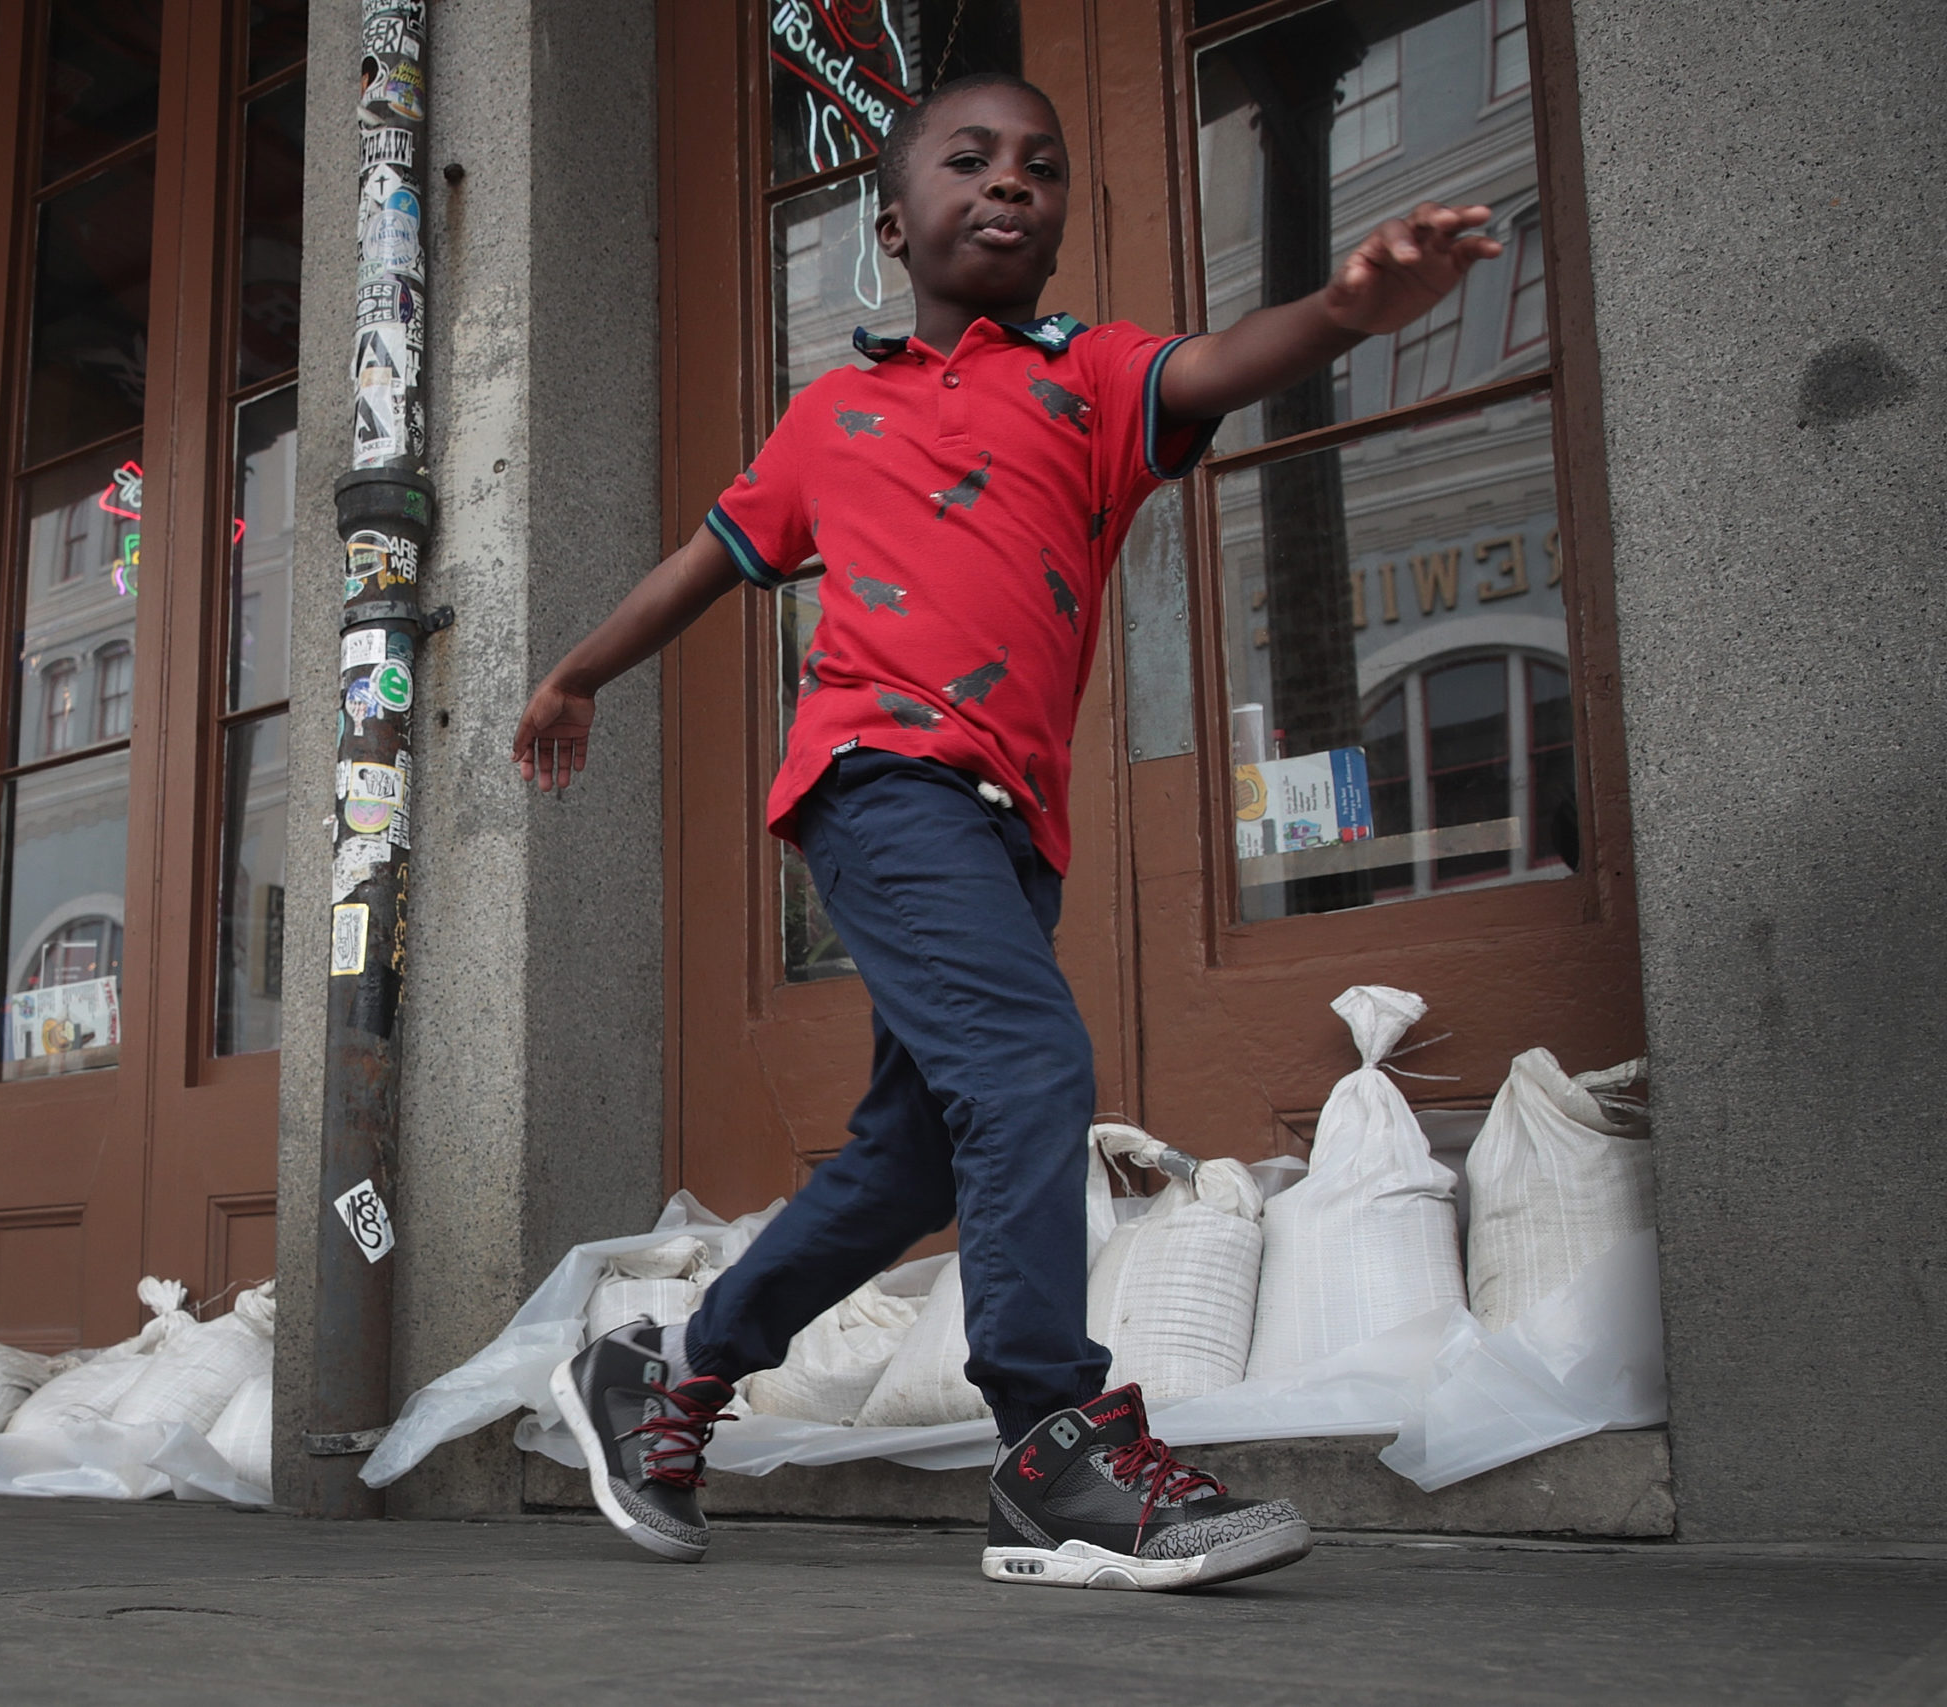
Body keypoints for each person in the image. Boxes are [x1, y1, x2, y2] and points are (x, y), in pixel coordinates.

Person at [511, 72, 1500, 1590]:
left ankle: (671, 1370)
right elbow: (705, 559)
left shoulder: (1092, 379)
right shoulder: (833, 416)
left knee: (916, 1160)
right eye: (967, 162)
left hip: (1007, 826)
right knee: (1030, 1068)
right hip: (877, 785)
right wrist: (577, 672)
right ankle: (1053, 1448)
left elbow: (1228, 360)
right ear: (892, 224)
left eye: (1039, 167)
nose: (1007, 184)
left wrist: (1352, 308)